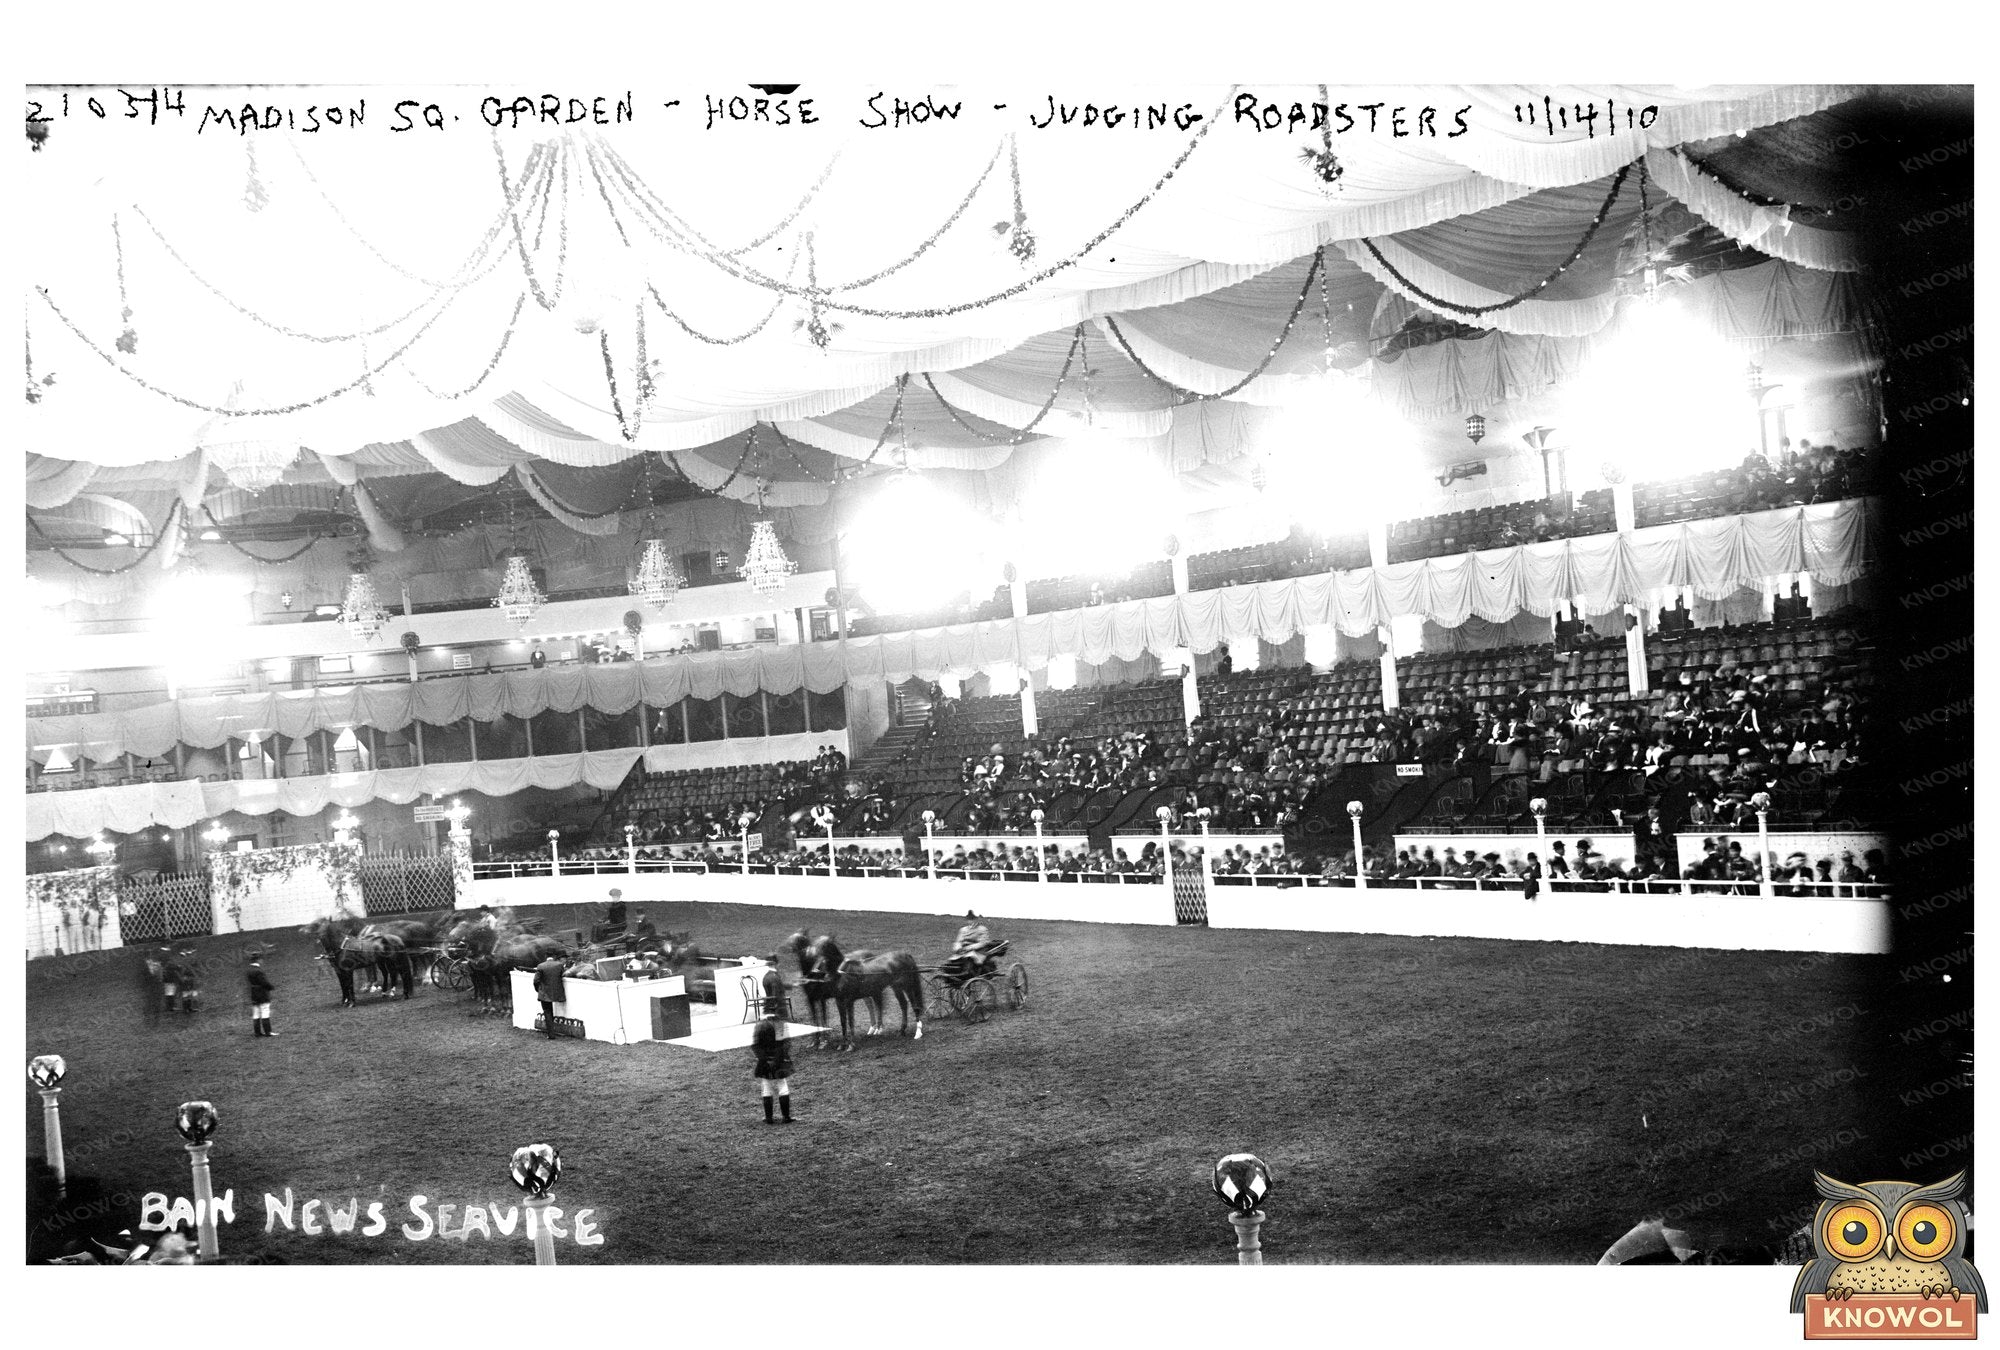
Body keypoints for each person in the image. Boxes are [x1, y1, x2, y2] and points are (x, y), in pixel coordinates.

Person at [751, 1012, 795, 1124]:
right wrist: (778, 1060)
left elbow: (755, 1045)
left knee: (766, 1086)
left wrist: (764, 1060)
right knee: (782, 1085)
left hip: (765, 1061)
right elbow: (786, 1044)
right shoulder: (780, 1024)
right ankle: (786, 1117)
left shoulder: (759, 1025)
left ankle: (769, 1118)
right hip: (779, 1060)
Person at [532, 954, 568, 1039]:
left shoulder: (541, 966)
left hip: (545, 993)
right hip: (556, 992)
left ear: (546, 957)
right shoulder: (559, 965)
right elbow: (563, 976)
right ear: (554, 957)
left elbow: (536, 980)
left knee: (547, 1011)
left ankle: (551, 1034)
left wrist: (538, 989)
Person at [246, 955, 278, 1037]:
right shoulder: (259, 971)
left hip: (254, 993)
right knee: (265, 1011)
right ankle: (268, 1032)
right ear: (258, 960)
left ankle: (257, 1032)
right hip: (262, 993)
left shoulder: (248, 970)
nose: (262, 961)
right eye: (261, 959)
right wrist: (271, 987)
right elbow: (264, 982)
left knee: (256, 1013)